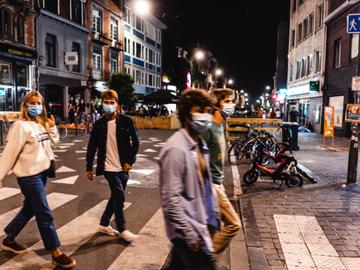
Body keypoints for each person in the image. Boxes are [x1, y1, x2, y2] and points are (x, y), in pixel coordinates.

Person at [0, 90, 76, 268]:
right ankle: (55, 251)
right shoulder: (20, 126)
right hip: (28, 175)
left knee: (30, 208)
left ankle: (9, 238)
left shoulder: (40, 124)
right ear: (25, 105)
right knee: (44, 212)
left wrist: (51, 127)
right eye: (32, 103)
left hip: (42, 173)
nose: (36, 106)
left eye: (39, 103)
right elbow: (9, 154)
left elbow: (54, 143)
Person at [159, 89, 220, 270]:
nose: (205, 116)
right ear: (186, 114)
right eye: (199, 110)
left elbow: (206, 188)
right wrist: (190, 235)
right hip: (188, 231)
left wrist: (213, 217)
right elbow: (170, 199)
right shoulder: (176, 149)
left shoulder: (199, 144)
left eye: (208, 111)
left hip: (198, 226)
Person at [86, 89, 139, 242]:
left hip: (123, 167)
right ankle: (122, 229)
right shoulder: (99, 125)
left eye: (112, 103)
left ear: (117, 105)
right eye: (106, 102)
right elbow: (92, 147)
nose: (108, 105)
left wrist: (130, 161)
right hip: (108, 168)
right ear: (102, 104)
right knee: (120, 196)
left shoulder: (127, 121)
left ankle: (104, 223)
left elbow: (136, 143)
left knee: (115, 196)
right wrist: (89, 167)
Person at [202, 89, 241, 255]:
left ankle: (201, 259)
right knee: (233, 224)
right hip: (211, 186)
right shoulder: (209, 127)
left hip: (218, 183)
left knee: (211, 227)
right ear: (216, 106)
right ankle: (204, 259)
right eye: (227, 101)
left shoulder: (221, 125)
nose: (231, 105)